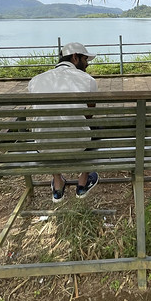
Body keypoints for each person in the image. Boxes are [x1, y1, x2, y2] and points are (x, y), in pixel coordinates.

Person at [28, 42, 99, 203]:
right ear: (75, 57)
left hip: (44, 146)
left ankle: (58, 182)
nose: (87, 64)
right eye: (85, 59)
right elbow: (89, 115)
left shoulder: (35, 81)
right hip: (78, 145)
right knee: (95, 126)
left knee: (46, 126)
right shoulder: (87, 80)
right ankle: (83, 181)